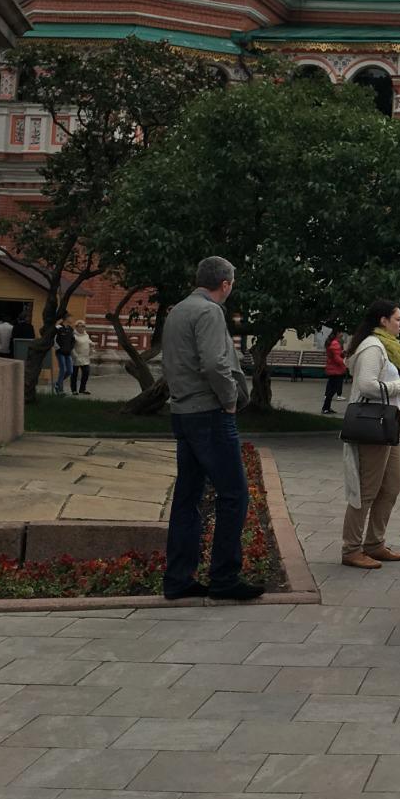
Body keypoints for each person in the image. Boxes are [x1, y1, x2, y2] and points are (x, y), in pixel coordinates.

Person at [162, 256, 264, 603]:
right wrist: (231, 399)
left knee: (187, 498)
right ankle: (224, 577)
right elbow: (215, 362)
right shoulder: (209, 312)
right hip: (210, 412)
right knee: (234, 495)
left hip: (183, 411)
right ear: (225, 284)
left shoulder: (177, 311)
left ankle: (178, 578)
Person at [341, 301, 400, 568]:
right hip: (372, 428)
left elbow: (381, 388)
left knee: (391, 486)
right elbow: (366, 386)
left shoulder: (385, 348)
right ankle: (352, 548)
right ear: (383, 321)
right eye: (397, 319)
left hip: (387, 426)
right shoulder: (373, 347)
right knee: (366, 490)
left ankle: (374, 543)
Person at [321, 326, 346, 415]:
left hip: (332, 369)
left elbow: (335, 355)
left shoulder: (331, 342)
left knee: (331, 388)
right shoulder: (335, 343)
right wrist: (345, 363)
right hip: (336, 370)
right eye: (341, 332)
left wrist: (342, 354)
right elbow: (336, 358)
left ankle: (326, 407)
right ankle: (326, 408)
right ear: (337, 334)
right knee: (333, 389)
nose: (342, 334)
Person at [51, 314, 75, 395]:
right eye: (71, 317)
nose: (72, 319)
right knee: (63, 369)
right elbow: (53, 338)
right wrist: (58, 348)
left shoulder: (70, 329)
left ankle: (57, 383)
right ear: (66, 318)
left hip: (68, 353)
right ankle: (60, 389)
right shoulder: (58, 328)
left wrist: (70, 348)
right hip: (60, 352)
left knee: (70, 371)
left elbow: (73, 340)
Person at [71, 321, 93, 394]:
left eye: (84, 326)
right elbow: (72, 347)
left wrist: (91, 343)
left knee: (86, 373)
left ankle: (82, 389)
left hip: (85, 357)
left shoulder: (86, 334)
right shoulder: (74, 335)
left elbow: (87, 341)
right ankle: (74, 390)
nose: (82, 328)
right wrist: (75, 355)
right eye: (81, 326)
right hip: (76, 357)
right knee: (74, 374)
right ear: (76, 327)